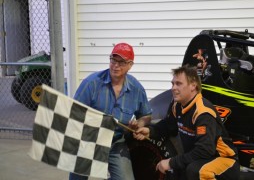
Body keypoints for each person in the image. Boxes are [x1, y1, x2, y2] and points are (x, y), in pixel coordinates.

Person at [134, 65, 240, 180]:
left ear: (193, 86)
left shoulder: (203, 112)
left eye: (178, 84)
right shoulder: (177, 105)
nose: (173, 88)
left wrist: (170, 162)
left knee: (196, 171)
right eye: (172, 84)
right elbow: (169, 126)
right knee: (182, 169)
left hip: (225, 161)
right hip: (202, 159)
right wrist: (150, 131)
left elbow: (204, 151)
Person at [69, 43, 152, 180]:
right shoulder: (92, 83)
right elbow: (74, 112)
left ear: (130, 65)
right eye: (113, 60)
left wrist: (139, 123)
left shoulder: (136, 89)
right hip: (88, 140)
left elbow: (146, 115)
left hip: (116, 142)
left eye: (121, 62)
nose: (116, 65)